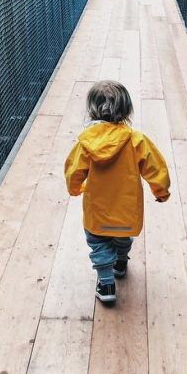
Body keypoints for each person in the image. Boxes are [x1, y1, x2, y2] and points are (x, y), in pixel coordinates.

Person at [64, 80, 170, 304]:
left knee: (99, 243)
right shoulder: (136, 140)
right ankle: (121, 263)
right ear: (127, 110)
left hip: (97, 212)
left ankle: (106, 283)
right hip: (126, 210)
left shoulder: (86, 143)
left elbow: (74, 171)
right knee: (122, 237)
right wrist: (161, 191)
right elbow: (155, 166)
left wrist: (75, 189)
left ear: (91, 109)